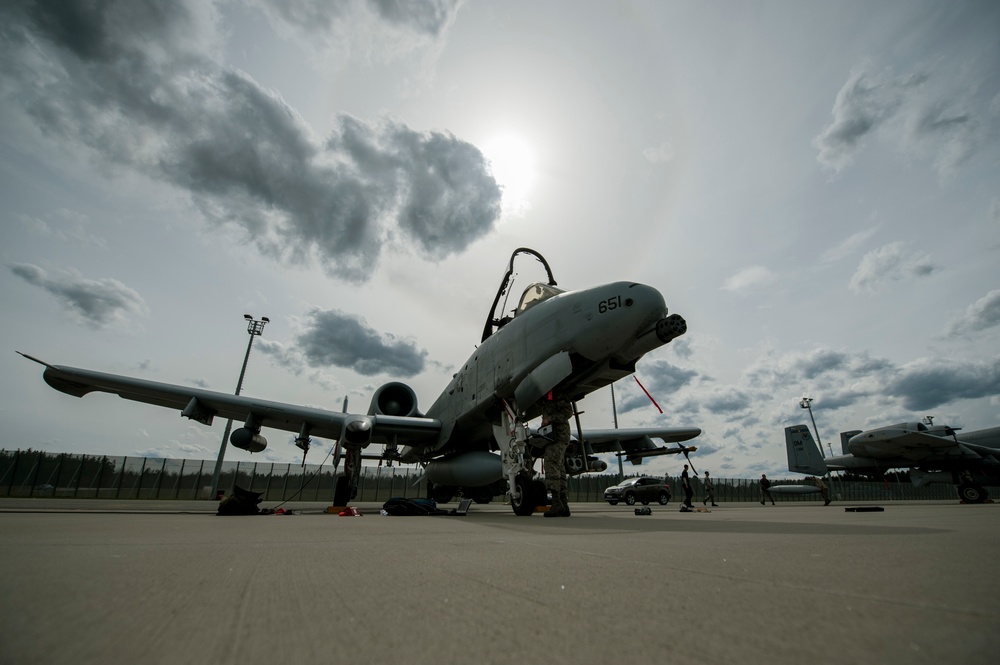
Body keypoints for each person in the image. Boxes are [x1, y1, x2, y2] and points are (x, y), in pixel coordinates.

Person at [540, 390, 574, 518]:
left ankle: (556, 504)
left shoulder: (558, 394)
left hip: (559, 436)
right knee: (559, 469)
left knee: (551, 464)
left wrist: (550, 419)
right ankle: (563, 505)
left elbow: (568, 412)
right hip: (552, 436)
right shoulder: (546, 397)